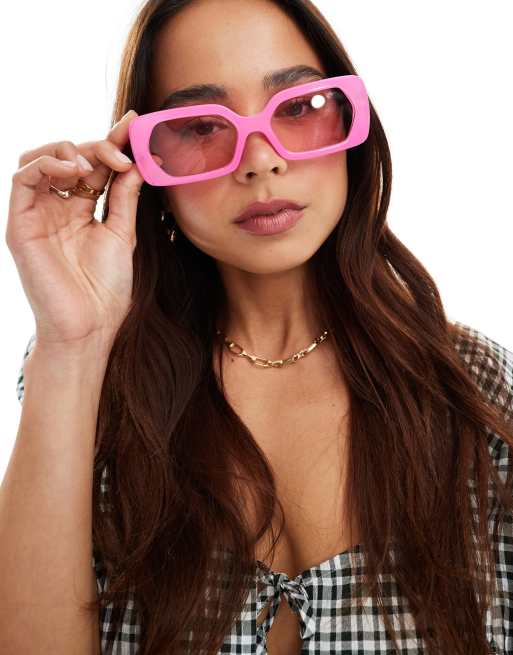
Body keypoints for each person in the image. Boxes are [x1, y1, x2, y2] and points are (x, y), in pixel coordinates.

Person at [4, 0, 513, 653]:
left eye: (298, 108)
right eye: (200, 126)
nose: (261, 160)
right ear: (142, 161)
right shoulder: (91, 380)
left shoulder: (472, 387)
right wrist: (70, 342)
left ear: (351, 122)